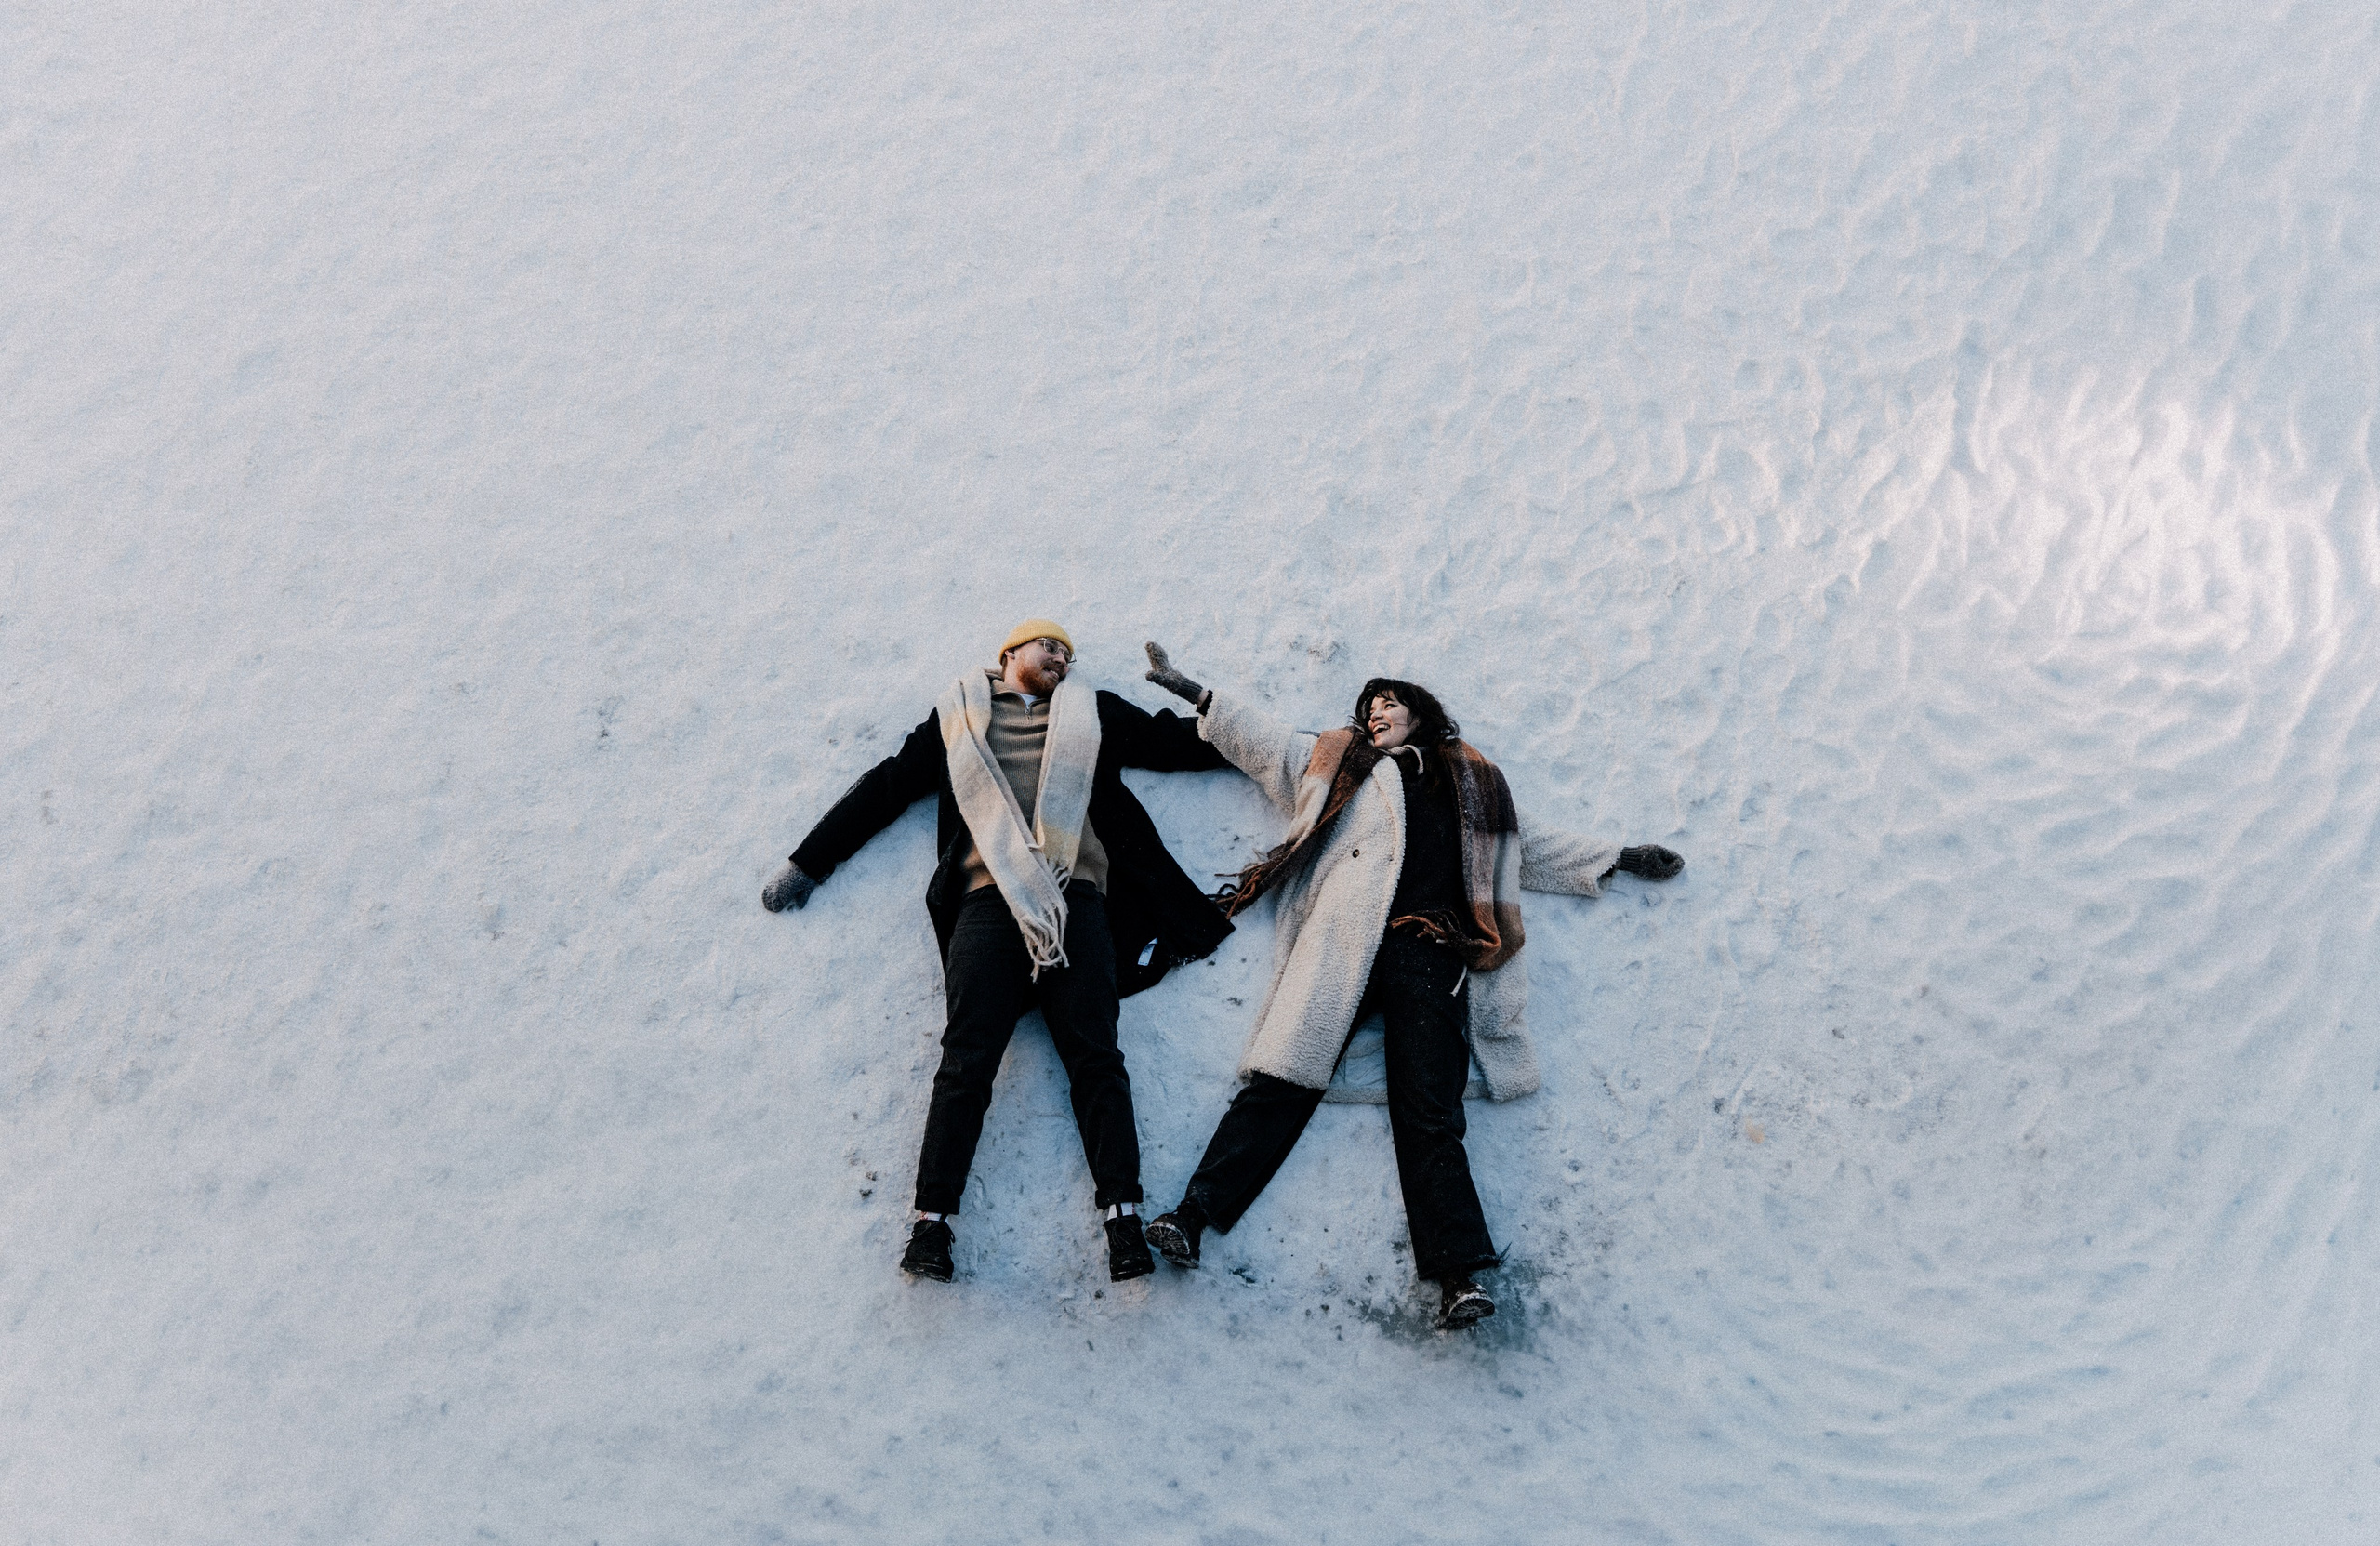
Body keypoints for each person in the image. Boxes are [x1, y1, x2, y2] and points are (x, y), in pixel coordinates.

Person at [1136, 642, 1683, 1329]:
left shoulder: (1472, 783)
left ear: (1421, 712)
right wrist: (1199, 694)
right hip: (1344, 943)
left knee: (1428, 1107)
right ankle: (1191, 1216)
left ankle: (1457, 1278)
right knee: (1283, 1076)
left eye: (1390, 703)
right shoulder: (1344, 763)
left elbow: (1528, 845)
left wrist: (1618, 857)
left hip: (1430, 949)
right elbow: (1271, 744)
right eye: (1369, 708)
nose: (1377, 714)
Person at [763, 622, 1235, 1283]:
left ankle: (1123, 1222)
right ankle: (931, 1228)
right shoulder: (958, 715)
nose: (1063, 660)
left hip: (1079, 904)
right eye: (1052, 647)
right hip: (988, 902)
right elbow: (889, 786)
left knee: (1097, 1058)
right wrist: (808, 864)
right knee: (967, 1060)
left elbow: (1175, 743)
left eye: (1070, 655)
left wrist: (1279, 739)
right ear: (1011, 652)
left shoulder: (1090, 712)